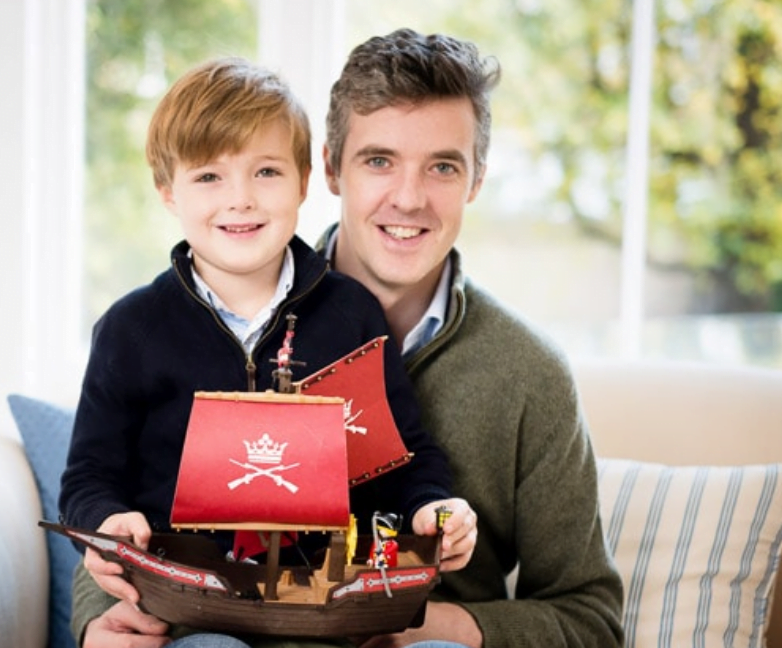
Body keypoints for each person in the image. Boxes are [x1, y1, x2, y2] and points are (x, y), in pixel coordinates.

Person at [60, 57, 478, 648]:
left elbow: (405, 456)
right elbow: (88, 475)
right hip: (185, 614)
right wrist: (106, 523)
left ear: (305, 181)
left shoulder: (353, 316)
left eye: (266, 172)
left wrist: (433, 509)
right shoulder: (130, 330)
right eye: (209, 176)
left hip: (319, 612)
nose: (241, 199)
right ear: (167, 191)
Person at [311, 28, 625, 647]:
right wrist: (113, 615)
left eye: (442, 167)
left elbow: (590, 620)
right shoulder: (235, 322)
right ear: (330, 168)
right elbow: (133, 522)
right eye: (379, 161)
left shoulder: (529, 374)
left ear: (476, 179)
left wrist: (432, 626)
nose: (409, 199)